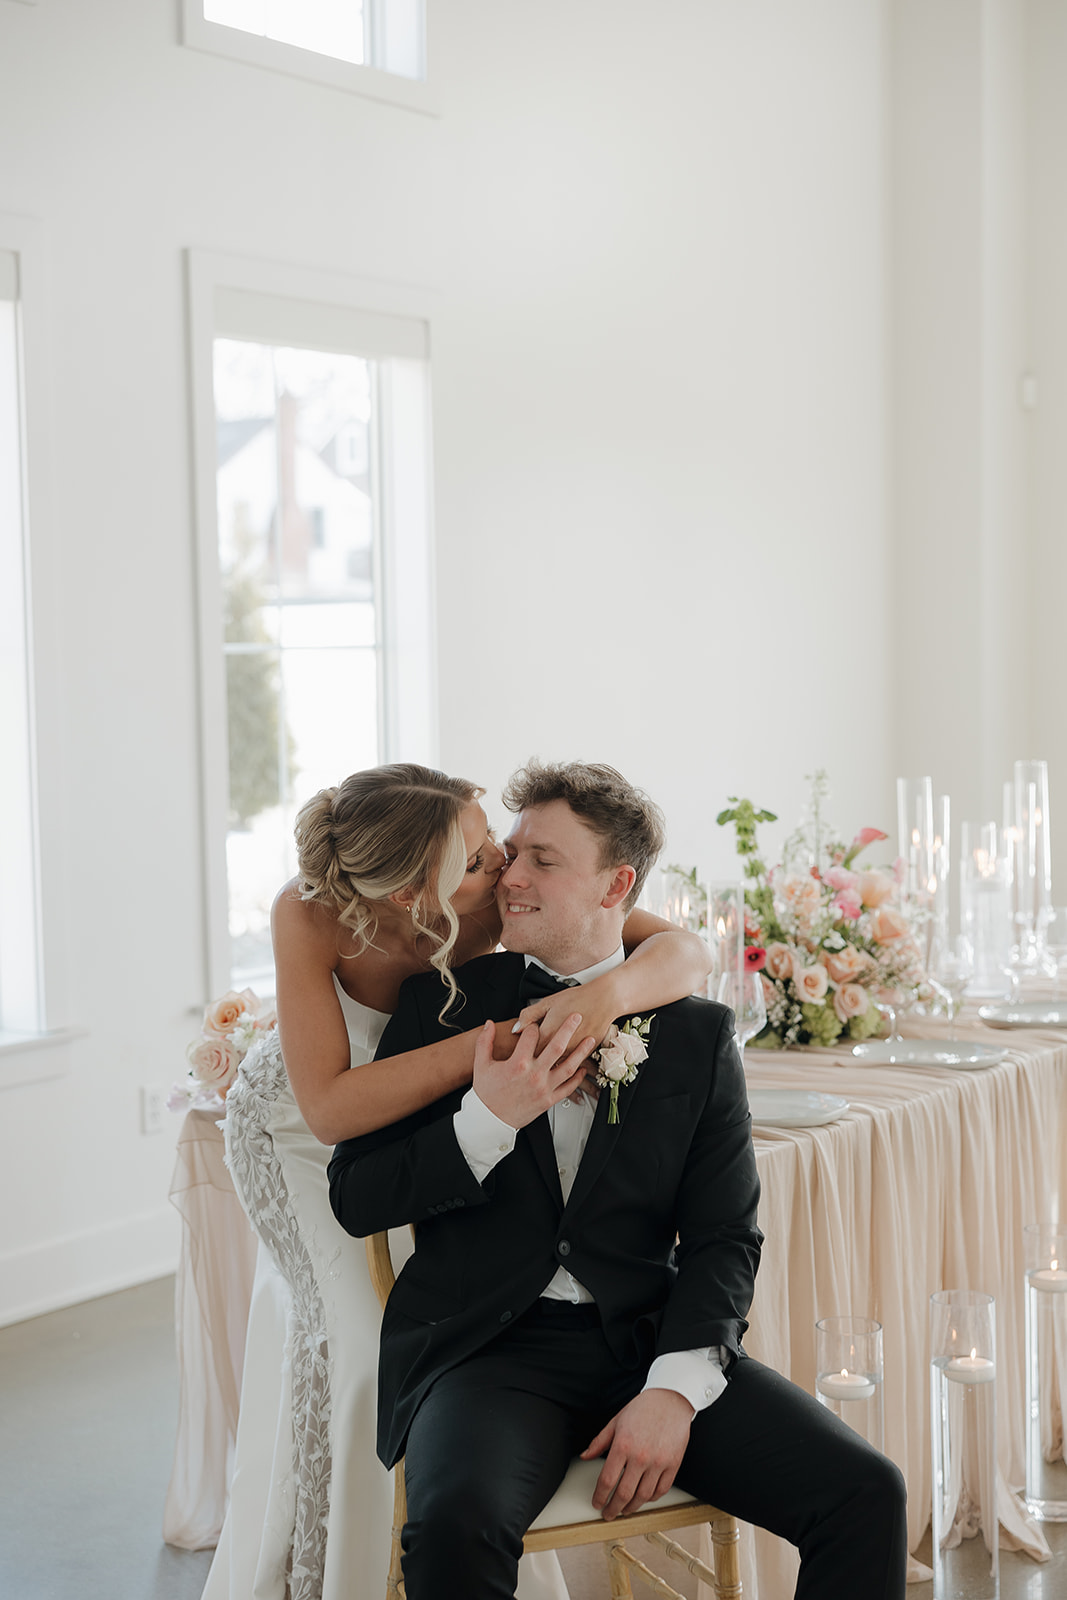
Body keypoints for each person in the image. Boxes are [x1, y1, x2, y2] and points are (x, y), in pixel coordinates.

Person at [328, 760, 909, 1600]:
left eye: (543, 861)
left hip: (647, 1341)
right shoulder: (442, 1005)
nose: (509, 878)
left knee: (866, 1492)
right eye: (511, 852)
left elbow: (724, 1237)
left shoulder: (696, 1035)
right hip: (486, 1352)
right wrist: (486, 1119)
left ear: (618, 885)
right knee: (453, 1526)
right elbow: (357, 1197)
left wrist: (673, 1391)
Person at [201, 763, 714, 1600]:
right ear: (412, 894)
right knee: (362, 1340)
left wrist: (604, 996)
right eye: (481, 858)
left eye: (495, 845)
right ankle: (337, 1571)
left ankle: (464, 1524)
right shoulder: (309, 911)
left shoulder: (493, 900)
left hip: (441, 1119)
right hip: (299, 1128)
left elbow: (684, 950)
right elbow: (328, 1108)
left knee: (448, 1319)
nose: (505, 867)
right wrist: (503, 1039)